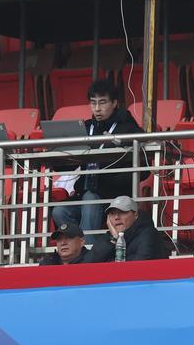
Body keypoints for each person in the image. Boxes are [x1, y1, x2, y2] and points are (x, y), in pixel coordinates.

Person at [52, 79, 147, 244]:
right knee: (59, 211)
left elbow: (144, 170)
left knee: (90, 199)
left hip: (114, 196)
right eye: (93, 103)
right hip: (84, 193)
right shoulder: (85, 128)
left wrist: (118, 146)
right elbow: (63, 167)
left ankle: (89, 252)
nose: (97, 108)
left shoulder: (127, 128)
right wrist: (60, 154)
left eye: (102, 103)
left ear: (114, 103)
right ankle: (76, 250)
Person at [89, 196, 167, 262]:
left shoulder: (148, 234)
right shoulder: (109, 237)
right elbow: (88, 264)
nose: (117, 217)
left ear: (135, 215)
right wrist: (114, 239)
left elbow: (141, 265)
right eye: (112, 213)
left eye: (122, 212)